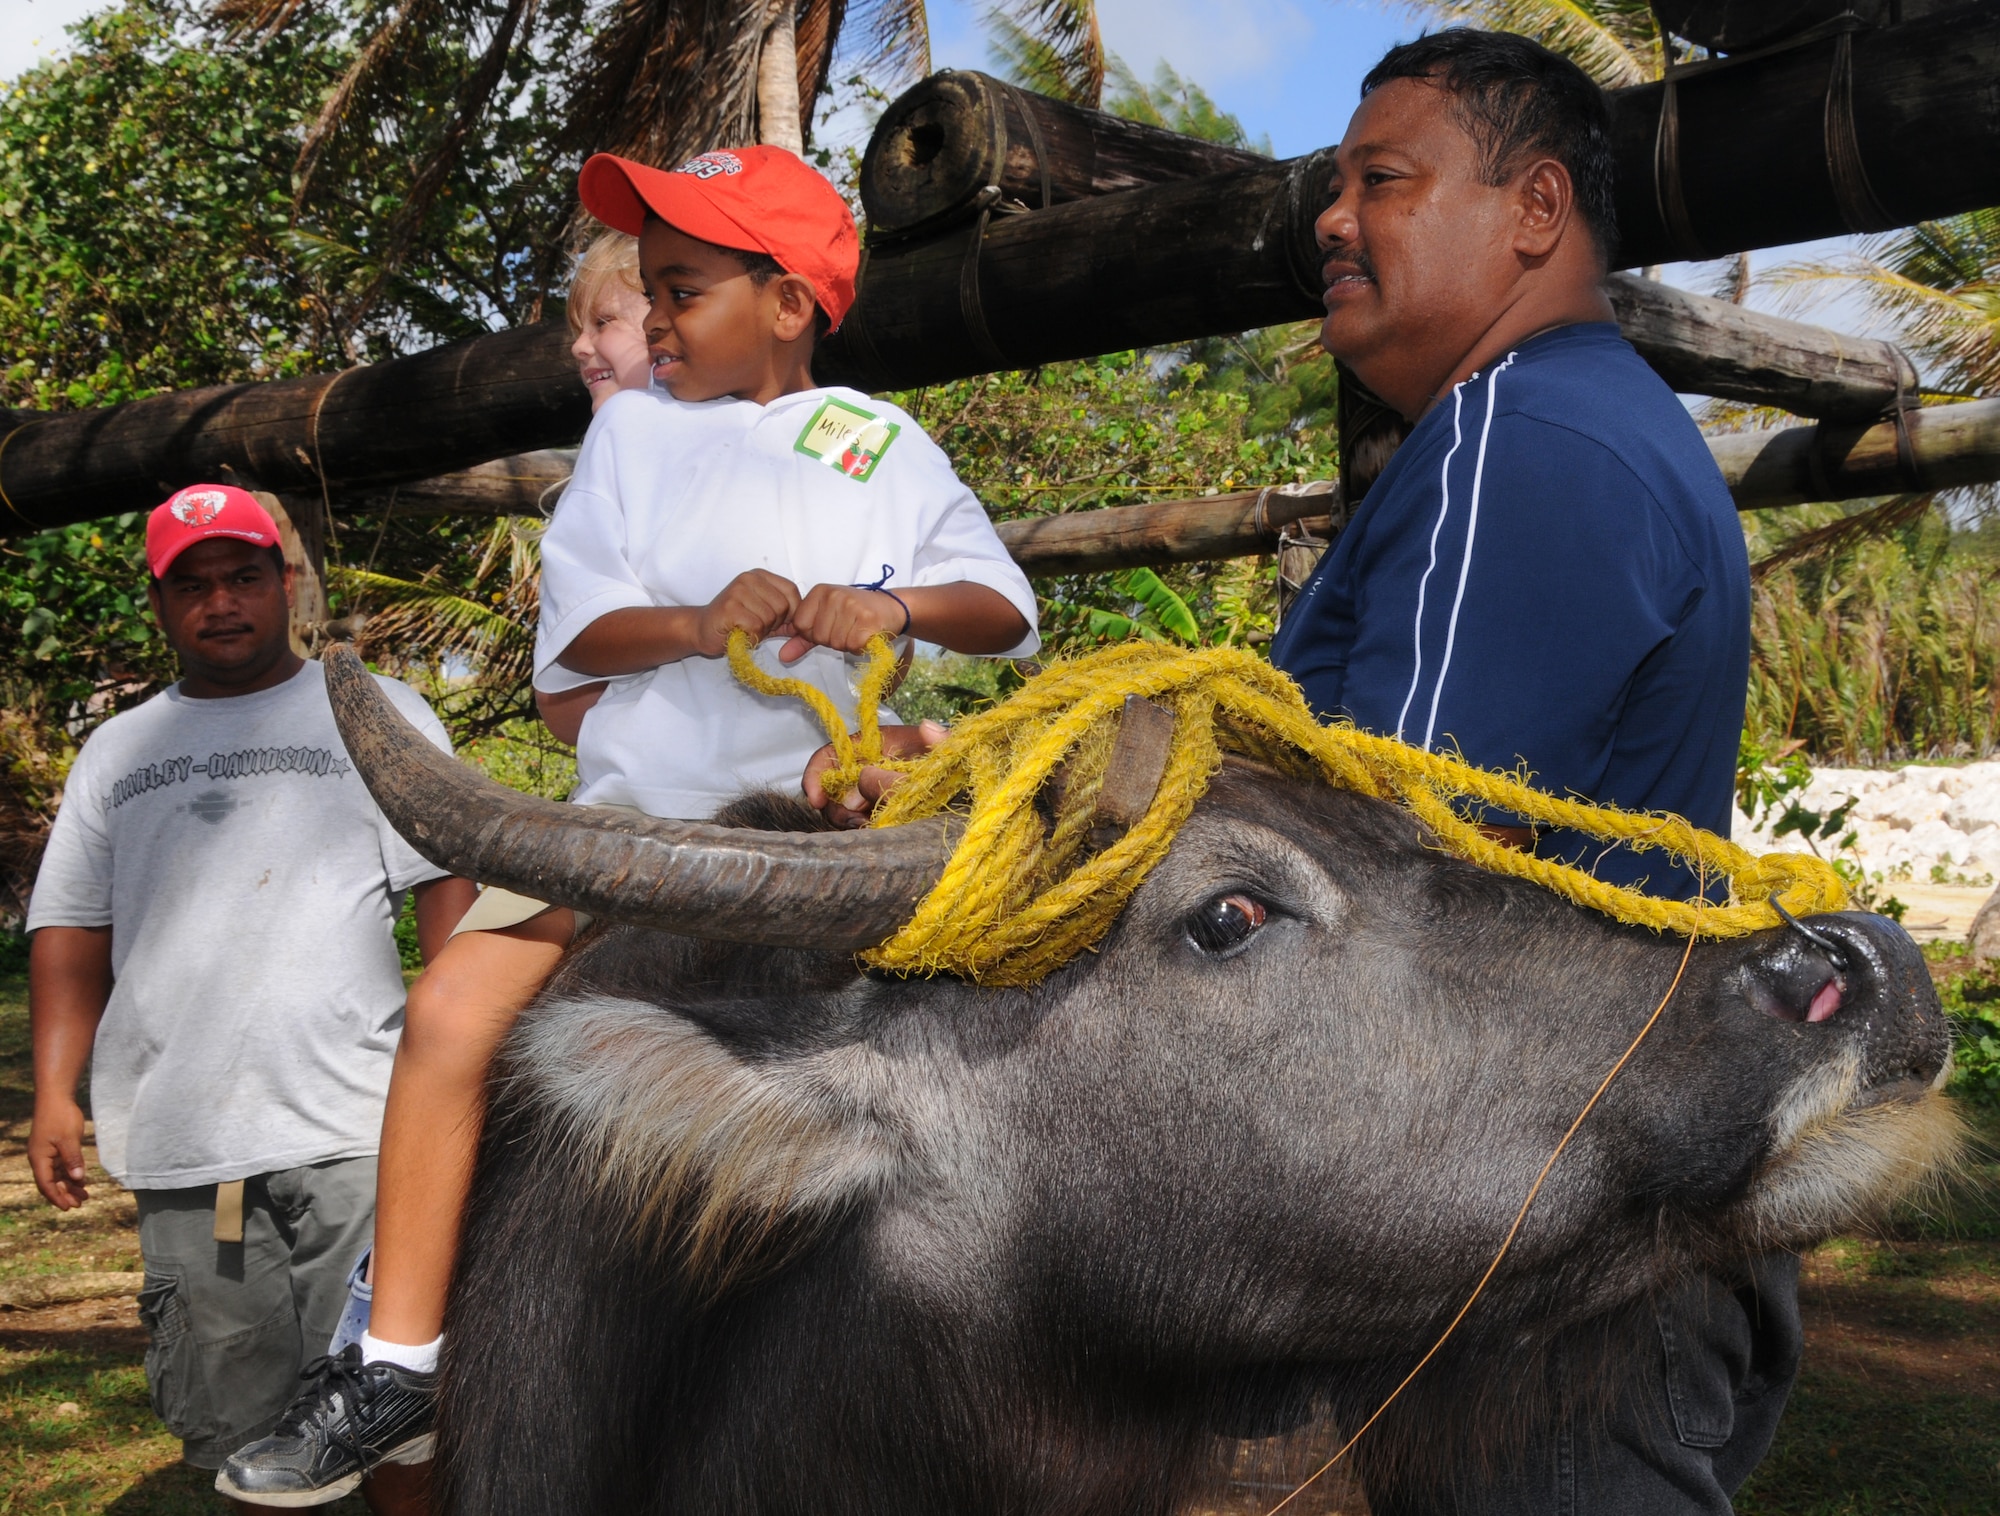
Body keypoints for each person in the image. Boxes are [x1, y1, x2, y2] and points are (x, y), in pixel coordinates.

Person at [220, 142, 1039, 1504]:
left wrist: (891, 607)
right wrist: (699, 623)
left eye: (685, 287)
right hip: (629, 828)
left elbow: (999, 609)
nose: (654, 317)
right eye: (648, 289)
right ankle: (399, 1360)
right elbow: (577, 644)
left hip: (811, 826)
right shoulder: (633, 437)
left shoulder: (878, 444)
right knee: (450, 1017)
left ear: (789, 303)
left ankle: (1010, 1337)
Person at [1265, 30, 1776, 1516]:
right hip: (1604, 1206)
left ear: (1535, 211)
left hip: (1549, 1252)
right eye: (1336, 186)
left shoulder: (1518, 435)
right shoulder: (1564, 428)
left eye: (1384, 180)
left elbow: (1380, 858)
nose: (1332, 219)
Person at [24, 485, 473, 1511]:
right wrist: (58, 1089)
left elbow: (451, 884)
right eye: (193, 585)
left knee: (400, 1418)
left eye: (243, 576)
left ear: (284, 583)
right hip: (190, 1147)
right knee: (241, 1437)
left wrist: (464, 1069)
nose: (221, 602)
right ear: (159, 605)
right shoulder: (117, 751)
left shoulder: (377, 711)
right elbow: (69, 927)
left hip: (366, 1131)